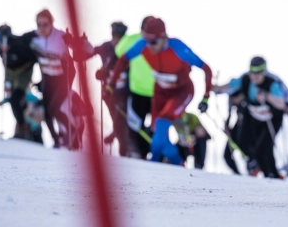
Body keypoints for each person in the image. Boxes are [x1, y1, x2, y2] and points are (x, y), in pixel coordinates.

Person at [110, 17, 212, 166]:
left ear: (164, 38)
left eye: (153, 42)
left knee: (162, 123)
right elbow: (123, 60)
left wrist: (206, 97)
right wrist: (111, 83)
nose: (149, 46)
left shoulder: (177, 48)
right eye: (146, 41)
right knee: (157, 132)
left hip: (181, 92)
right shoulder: (143, 44)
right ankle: (177, 164)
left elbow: (206, 69)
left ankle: (155, 164)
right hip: (160, 93)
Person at [213, 57, 288, 178]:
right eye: (252, 73)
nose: (255, 76)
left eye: (258, 73)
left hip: (271, 120)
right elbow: (229, 86)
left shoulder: (272, 83)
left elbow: (282, 104)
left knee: (264, 149)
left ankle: (272, 176)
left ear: (264, 72)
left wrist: (267, 96)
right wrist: (215, 88)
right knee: (246, 143)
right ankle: (261, 171)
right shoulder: (245, 79)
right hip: (255, 118)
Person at [23, 9, 79, 148]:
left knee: (54, 108)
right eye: (39, 24)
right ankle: (56, 140)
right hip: (48, 77)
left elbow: (79, 49)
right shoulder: (33, 37)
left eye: (45, 24)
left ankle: (72, 131)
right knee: (47, 110)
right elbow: (17, 43)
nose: (42, 28)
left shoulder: (61, 36)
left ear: (51, 24)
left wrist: (77, 44)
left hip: (64, 77)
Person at [115, 16, 156, 158]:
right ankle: (143, 154)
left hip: (156, 92)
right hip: (139, 92)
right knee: (137, 126)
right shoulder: (134, 40)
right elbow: (119, 53)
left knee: (152, 127)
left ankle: (150, 154)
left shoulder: (133, 39)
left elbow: (119, 52)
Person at [90, 22, 131, 156]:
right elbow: (87, 53)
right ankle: (123, 149)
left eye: (120, 37)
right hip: (109, 94)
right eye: (114, 36)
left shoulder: (129, 50)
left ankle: (124, 153)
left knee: (121, 123)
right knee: (117, 123)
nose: (116, 40)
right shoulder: (105, 47)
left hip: (125, 93)